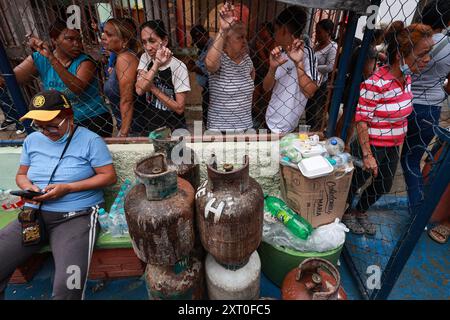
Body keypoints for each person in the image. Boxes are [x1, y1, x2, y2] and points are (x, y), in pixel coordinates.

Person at [0, 90, 117, 300]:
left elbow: (108, 177)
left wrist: (68, 188)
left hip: (76, 215)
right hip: (33, 213)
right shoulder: (32, 140)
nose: (45, 131)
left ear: (69, 117)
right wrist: (29, 188)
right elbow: (21, 174)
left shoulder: (91, 141)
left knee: (68, 284)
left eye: (51, 125)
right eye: (39, 125)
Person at [343, 23, 434, 235]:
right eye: (422, 54)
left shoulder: (407, 79)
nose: (428, 59)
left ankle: (360, 211)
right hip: (372, 144)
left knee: (383, 185)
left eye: (429, 53)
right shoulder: (375, 83)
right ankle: (346, 212)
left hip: (393, 145)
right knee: (355, 182)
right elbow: (362, 120)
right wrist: (367, 154)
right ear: (401, 56)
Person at [0, 19, 113, 137]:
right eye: (70, 39)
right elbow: (9, 80)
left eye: (79, 40)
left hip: (91, 118)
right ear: (54, 40)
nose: (77, 44)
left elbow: (77, 88)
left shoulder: (85, 61)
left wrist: (51, 58)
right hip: (57, 122)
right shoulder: (39, 58)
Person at [400, 0, 450, 213]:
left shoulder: (416, 39)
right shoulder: (448, 46)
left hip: (401, 102)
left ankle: (418, 206)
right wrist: (436, 86)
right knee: (413, 158)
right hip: (429, 109)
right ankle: (418, 208)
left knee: (383, 152)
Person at [263, 6, 319, 134]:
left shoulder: (307, 53)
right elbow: (266, 88)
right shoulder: (279, 52)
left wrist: (298, 62)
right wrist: (272, 68)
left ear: (283, 30)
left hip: (289, 125)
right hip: (270, 118)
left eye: (276, 29)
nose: (274, 34)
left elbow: (310, 91)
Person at [205, 2, 255, 132]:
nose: (245, 41)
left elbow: (251, 83)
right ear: (226, 41)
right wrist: (223, 30)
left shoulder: (247, 61)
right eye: (240, 37)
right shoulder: (220, 59)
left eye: (245, 37)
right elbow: (210, 64)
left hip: (245, 127)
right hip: (220, 129)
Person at [136, 20, 191, 132]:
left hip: (173, 128)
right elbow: (139, 90)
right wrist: (156, 63)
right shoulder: (145, 57)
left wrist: (151, 87)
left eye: (152, 41)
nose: (148, 47)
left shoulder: (179, 67)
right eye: (144, 42)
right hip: (151, 124)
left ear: (164, 41)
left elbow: (179, 108)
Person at [102, 18, 148, 137]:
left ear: (124, 40)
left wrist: (123, 134)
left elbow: (127, 100)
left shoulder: (125, 59)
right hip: (132, 126)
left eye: (109, 34)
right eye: (103, 32)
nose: (103, 36)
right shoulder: (122, 57)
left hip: (134, 129)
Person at [305, 19, 337, 132]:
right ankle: (308, 129)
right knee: (307, 107)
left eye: (319, 32)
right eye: (316, 31)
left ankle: (311, 131)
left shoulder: (332, 47)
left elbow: (330, 67)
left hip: (319, 83)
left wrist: (312, 67)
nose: (316, 34)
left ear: (328, 32)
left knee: (312, 109)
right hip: (309, 80)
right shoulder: (317, 45)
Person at [250, 22, 275, 129]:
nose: (260, 31)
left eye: (263, 29)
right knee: (254, 101)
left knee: (266, 102)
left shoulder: (273, 44)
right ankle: (257, 121)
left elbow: (270, 64)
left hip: (268, 75)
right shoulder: (259, 41)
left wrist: (260, 50)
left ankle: (265, 125)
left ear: (268, 31)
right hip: (258, 75)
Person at [189, 25, 213, 127]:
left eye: (197, 40)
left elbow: (212, 70)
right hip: (206, 87)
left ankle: (210, 129)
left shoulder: (212, 47)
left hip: (212, 85)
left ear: (204, 35)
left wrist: (196, 69)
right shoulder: (203, 47)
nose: (196, 44)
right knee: (206, 109)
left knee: (208, 111)